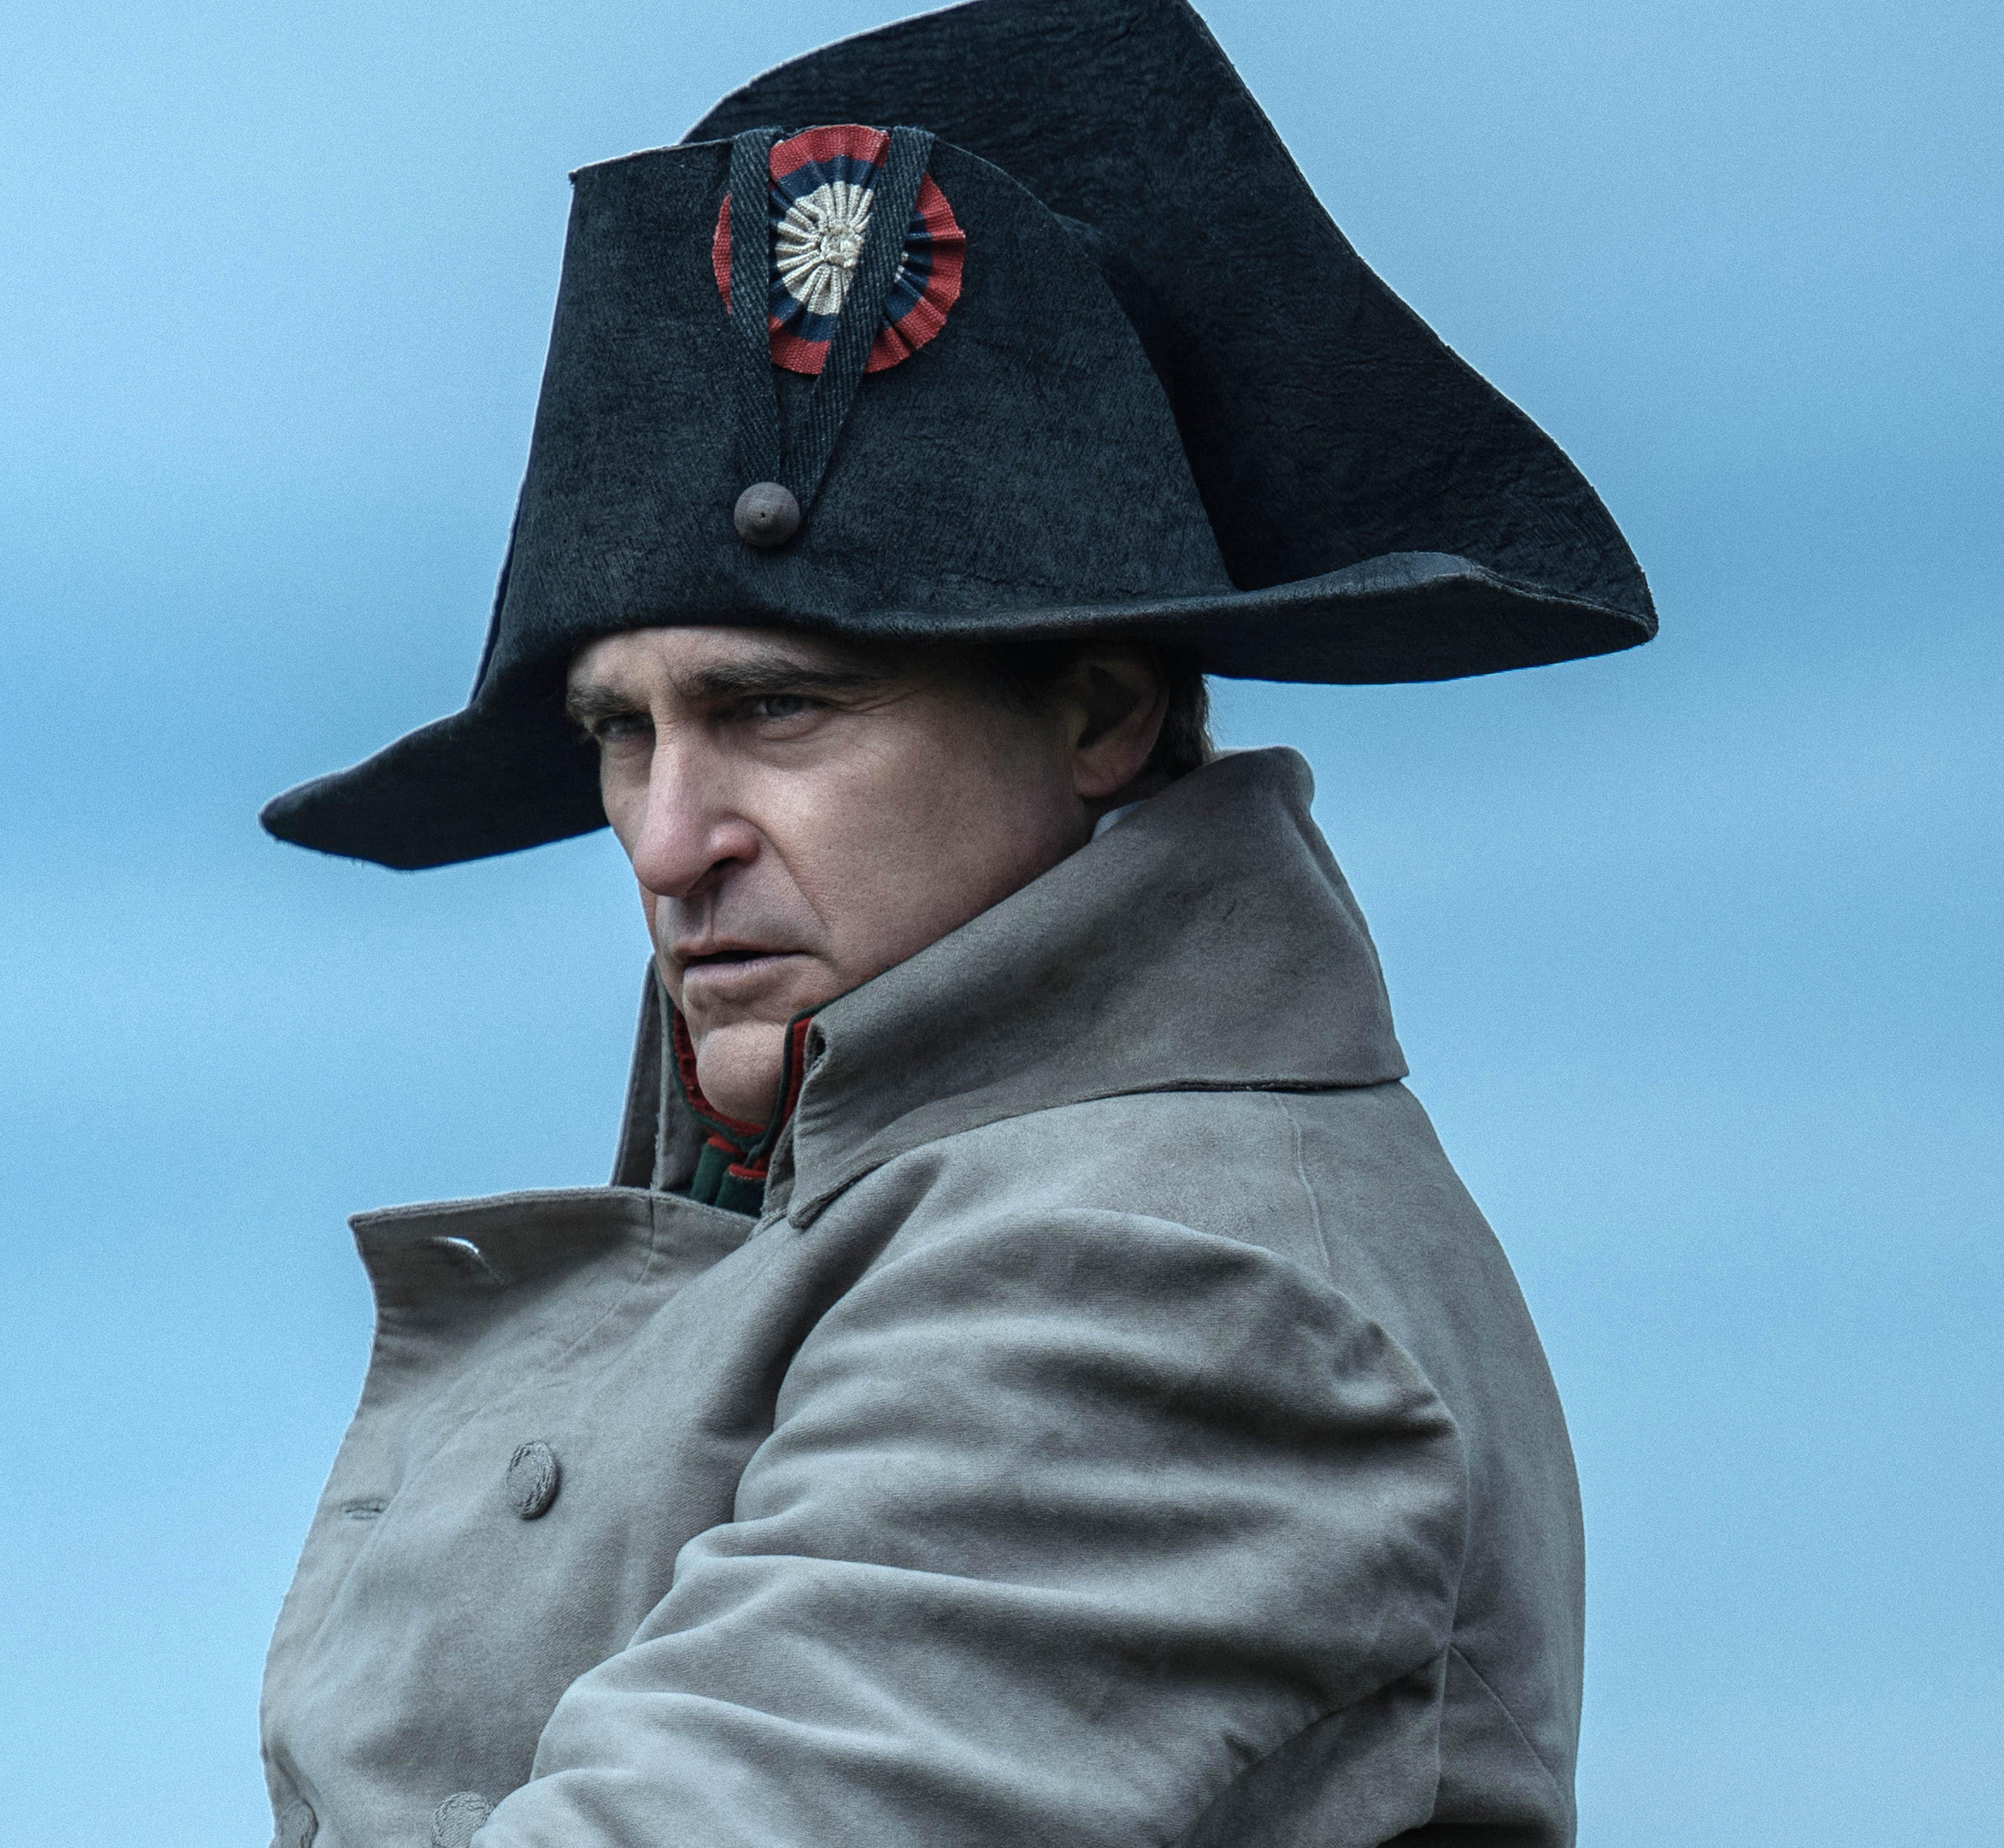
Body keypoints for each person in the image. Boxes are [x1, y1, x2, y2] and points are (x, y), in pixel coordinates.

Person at [248, 3, 1653, 1844]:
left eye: (777, 711)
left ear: (1097, 715)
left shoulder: (1163, 1284)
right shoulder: (956, 1221)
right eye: (622, 733)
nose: (668, 841)